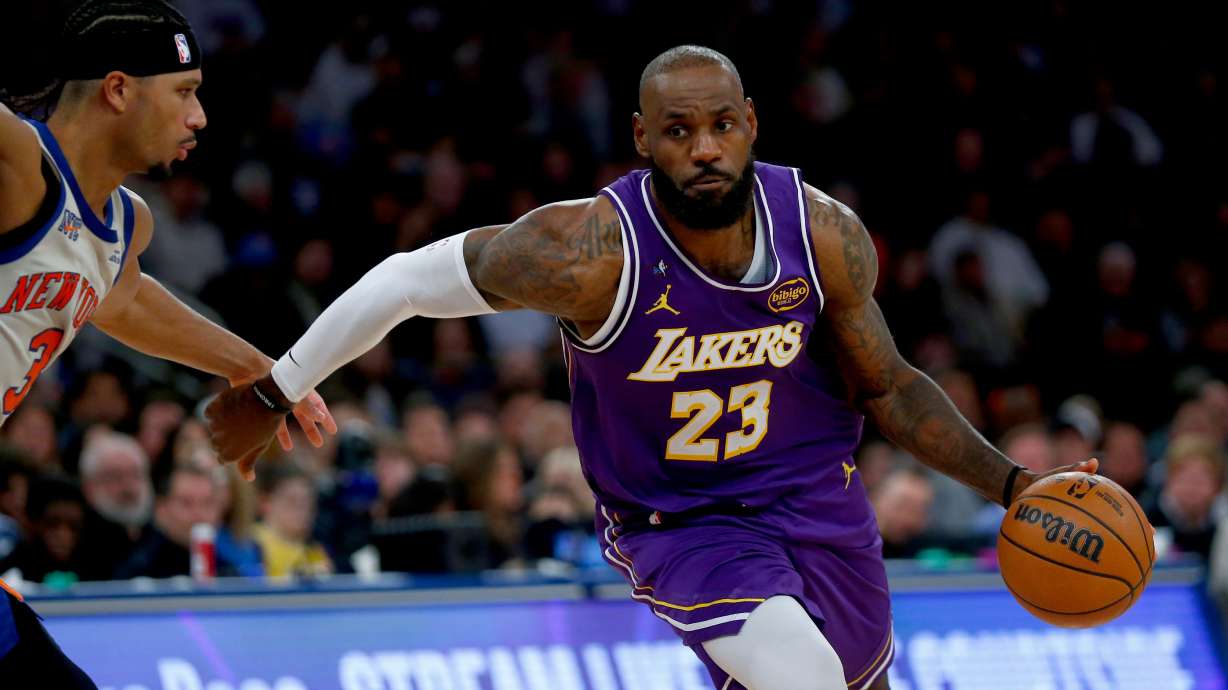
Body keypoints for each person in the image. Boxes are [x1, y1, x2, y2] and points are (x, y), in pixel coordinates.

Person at [208, 46, 1094, 690]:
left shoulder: (822, 232)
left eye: (719, 126)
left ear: (751, 125)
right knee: (807, 685)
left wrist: (1015, 485)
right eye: (677, 131)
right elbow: (407, 281)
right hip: (682, 525)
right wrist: (280, 383)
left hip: (820, 505)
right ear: (642, 137)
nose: (703, 148)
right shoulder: (588, 249)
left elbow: (891, 386)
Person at [0, 1, 337, 685]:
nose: (199, 117)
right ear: (119, 90)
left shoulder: (124, 226)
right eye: (185, 92)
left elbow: (124, 302)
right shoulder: (16, 162)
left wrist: (261, 372)